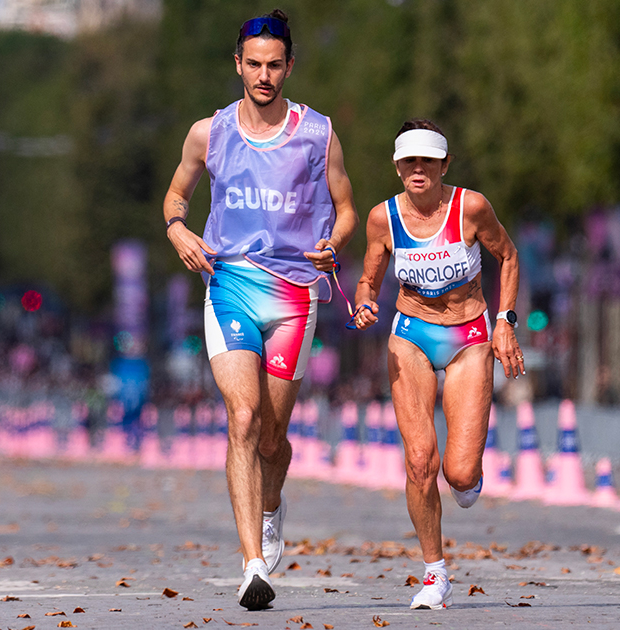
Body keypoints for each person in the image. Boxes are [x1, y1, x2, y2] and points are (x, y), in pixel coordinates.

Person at [161, 9, 358, 611]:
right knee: (242, 419)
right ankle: (251, 566)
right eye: (255, 64)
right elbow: (176, 196)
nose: (265, 75)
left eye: (275, 65)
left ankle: (272, 507)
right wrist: (179, 231)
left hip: (296, 294)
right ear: (239, 65)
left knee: (273, 435)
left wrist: (335, 243)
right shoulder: (209, 132)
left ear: (289, 66)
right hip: (231, 285)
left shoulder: (317, 133)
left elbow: (346, 207)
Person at [352, 119, 522, 610]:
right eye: (409, 161)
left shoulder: (471, 208)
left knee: (460, 474)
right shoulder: (383, 219)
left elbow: (507, 257)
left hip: (469, 336)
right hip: (411, 335)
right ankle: (434, 573)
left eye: (428, 160)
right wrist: (364, 302)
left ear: (445, 165)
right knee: (419, 459)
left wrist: (506, 320)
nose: (418, 169)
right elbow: (368, 278)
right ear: (398, 166)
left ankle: (469, 477)